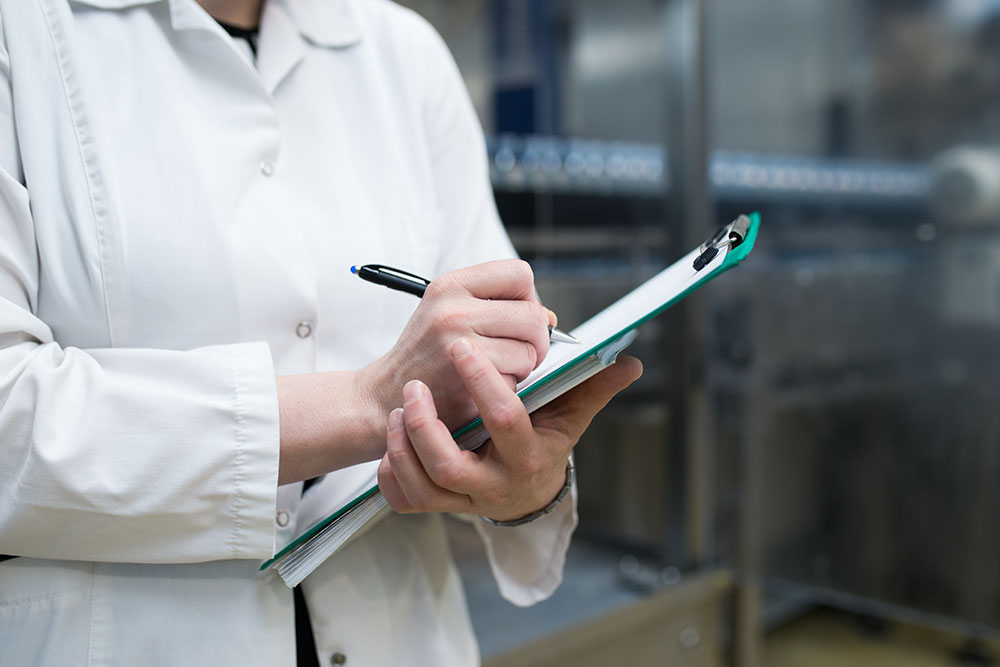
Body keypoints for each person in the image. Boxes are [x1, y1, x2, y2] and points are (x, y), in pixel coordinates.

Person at [0, 0, 642, 665]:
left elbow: (500, 353)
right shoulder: (21, 29)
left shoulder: (404, 53)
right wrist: (369, 400)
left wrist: (523, 479)